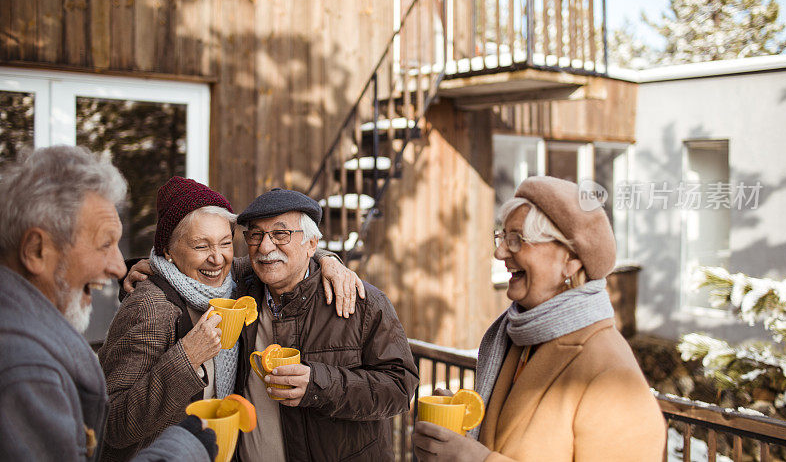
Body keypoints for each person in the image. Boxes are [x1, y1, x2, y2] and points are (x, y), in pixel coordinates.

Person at [99, 177, 362, 462]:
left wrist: (329, 260)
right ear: (168, 252)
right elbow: (110, 423)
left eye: (225, 243)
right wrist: (186, 358)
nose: (217, 259)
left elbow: (282, 255)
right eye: (201, 247)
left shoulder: (234, 279)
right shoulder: (149, 307)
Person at [412, 176, 665, 461]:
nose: (499, 252)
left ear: (570, 259)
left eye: (517, 239)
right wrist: (461, 424)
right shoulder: (517, 341)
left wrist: (477, 460)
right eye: (502, 236)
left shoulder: (612, 374)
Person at [0, 146, 216, 462]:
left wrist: (315, 259)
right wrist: (182, 448)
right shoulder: (27, 369)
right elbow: (115, 423)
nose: (119, 266)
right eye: (104, 244)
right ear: (36, 250)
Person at [233, 188, 419, 461]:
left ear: (311, 245)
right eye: (256, 235)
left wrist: (318, 384)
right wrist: (149, 268)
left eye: (280, 234)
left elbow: (400, 388)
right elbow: (195, 265)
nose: (265, 246)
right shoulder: (238, 293)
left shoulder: (363, 302)